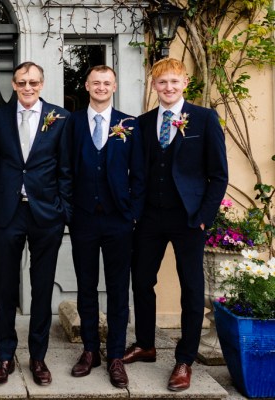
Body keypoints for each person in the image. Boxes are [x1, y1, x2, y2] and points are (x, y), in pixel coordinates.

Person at [124, 58, 228, 391]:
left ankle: (184, 359)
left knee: (192, 289)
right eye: (161, 82)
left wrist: (203, 217)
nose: (168, 88)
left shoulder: (204, 119)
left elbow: (219, 175)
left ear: (184, 83)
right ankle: (145, 344)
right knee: (141, 280)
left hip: (188, 218)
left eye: (174, 82)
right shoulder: (141, 123)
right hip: (150, 216)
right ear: (153, 86)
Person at [0, 61, 71, 386]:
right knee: (5, 289)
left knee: (41, 289)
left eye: (33, 82)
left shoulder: (60, 117)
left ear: (42, 83)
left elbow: (65, 169)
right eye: (22, 82)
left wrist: (62, 210)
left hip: (45, 215)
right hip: (8, 214)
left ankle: (38, 358)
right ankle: (5, 357)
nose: (27, 88)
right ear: (13, 84)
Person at [66, 65, 144, 389]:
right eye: (95, 82)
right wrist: (69, 211)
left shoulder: (129, 124)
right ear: (86, 85)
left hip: (118, 220)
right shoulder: (71, 124)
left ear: (114, 86)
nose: (101, 87)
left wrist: (133, 214)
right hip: (83, 218)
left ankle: (114, 356)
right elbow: (65, 170)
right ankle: (89, 351)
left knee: (116, 290)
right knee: (86, 287)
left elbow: (139, 174)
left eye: (106, 82)